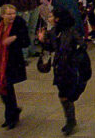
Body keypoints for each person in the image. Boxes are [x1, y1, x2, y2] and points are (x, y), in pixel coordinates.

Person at [36, 7, 89, 135]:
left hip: (70, 68)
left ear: (57, 19)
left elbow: (82, 46)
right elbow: (50, 48)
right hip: (59, 69)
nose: (49, 19)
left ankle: (70, 121)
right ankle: (70, 120)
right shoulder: (54, 32)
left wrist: (73, 55)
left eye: (50, 16)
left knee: (65, 95)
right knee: (63, 95)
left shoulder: (71, 32)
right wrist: (43, 40)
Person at [0, 3, 30, 128]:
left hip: (12, 62)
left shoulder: (19, 24)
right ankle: (13, 111)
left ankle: (11, 117)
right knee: (3, 89)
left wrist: (14, 38)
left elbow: (26, 42)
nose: (12, 16)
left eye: (13, 13)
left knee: (8, 87)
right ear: (2, 15)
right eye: (9, 14)